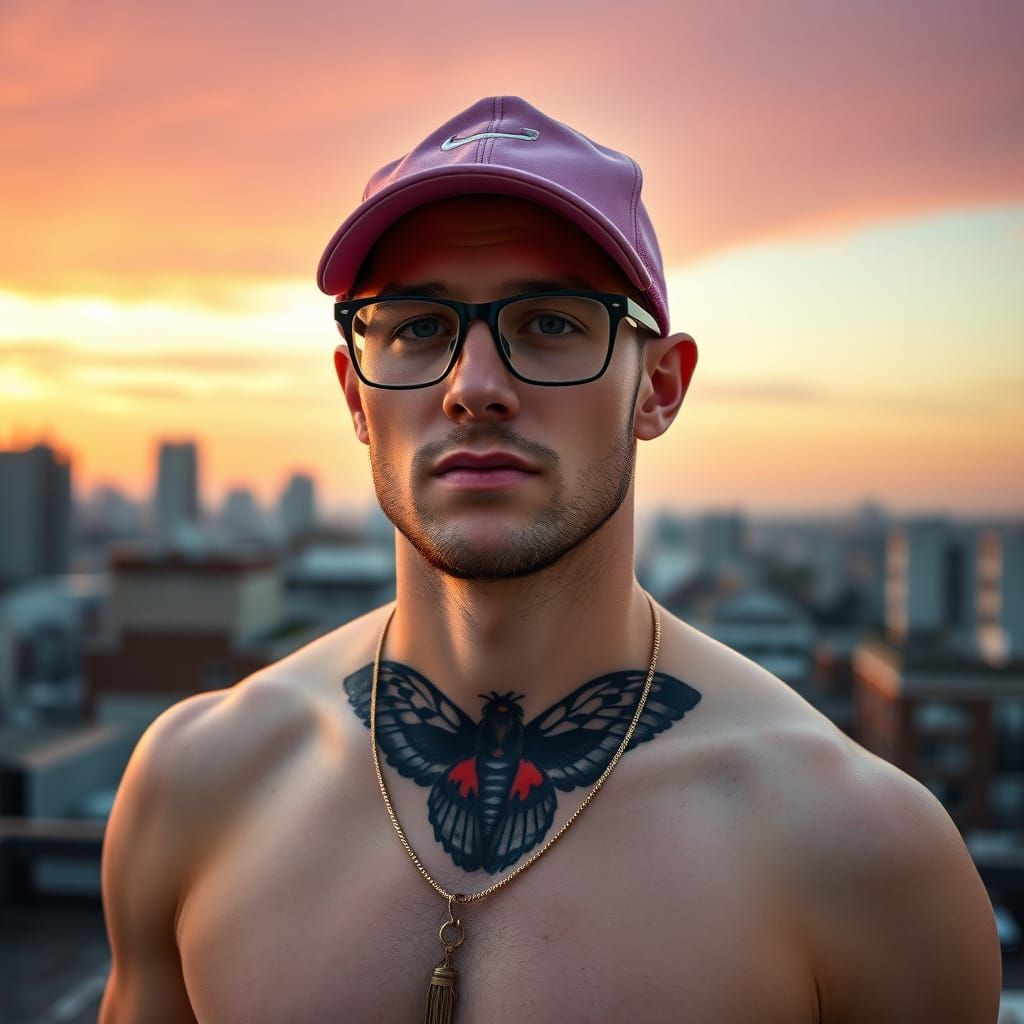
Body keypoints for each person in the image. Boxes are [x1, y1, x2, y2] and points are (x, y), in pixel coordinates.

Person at [99, 96, 1002, 1023]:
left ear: (658, 387)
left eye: (551, 323)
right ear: (356, 396)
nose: (474, 387)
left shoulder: (858, 851)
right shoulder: (198, 785)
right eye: (416, 326)